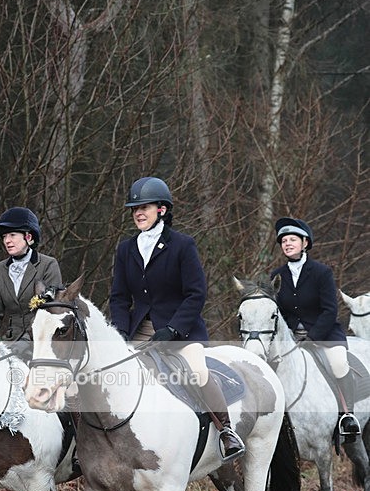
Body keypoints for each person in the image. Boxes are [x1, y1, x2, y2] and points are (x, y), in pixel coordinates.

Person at [109, 176, 245, 462]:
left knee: (196, 370)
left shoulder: (182, 245)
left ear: (161, 209)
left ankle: (226, 431)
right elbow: (120, 297)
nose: (138, 213)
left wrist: (173, 328)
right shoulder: (126, 249)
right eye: (134, 209)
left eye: (144, 207)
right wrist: (119, 334)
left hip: (181, 331)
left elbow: (196, 294)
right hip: (139, 329)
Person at [271, 216, 361, 437]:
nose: (287, 244)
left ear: (305, 243)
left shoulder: (322, 272)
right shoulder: (276, 276)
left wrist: (312, 337)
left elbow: (330, 310)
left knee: (339, 364)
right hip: (291, 337)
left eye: (293, 239)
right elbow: (277, 312)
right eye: (284, 241)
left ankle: (346, 415)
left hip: (325, 334)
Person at [0, 206, 62, 348]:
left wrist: (25, 341)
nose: (7, 241)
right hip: (9, 343)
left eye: (12, 235)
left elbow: (48, 312)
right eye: (4, 236)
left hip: (41, 343)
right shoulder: (1, 269)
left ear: (28, 237)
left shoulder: (48, 265)